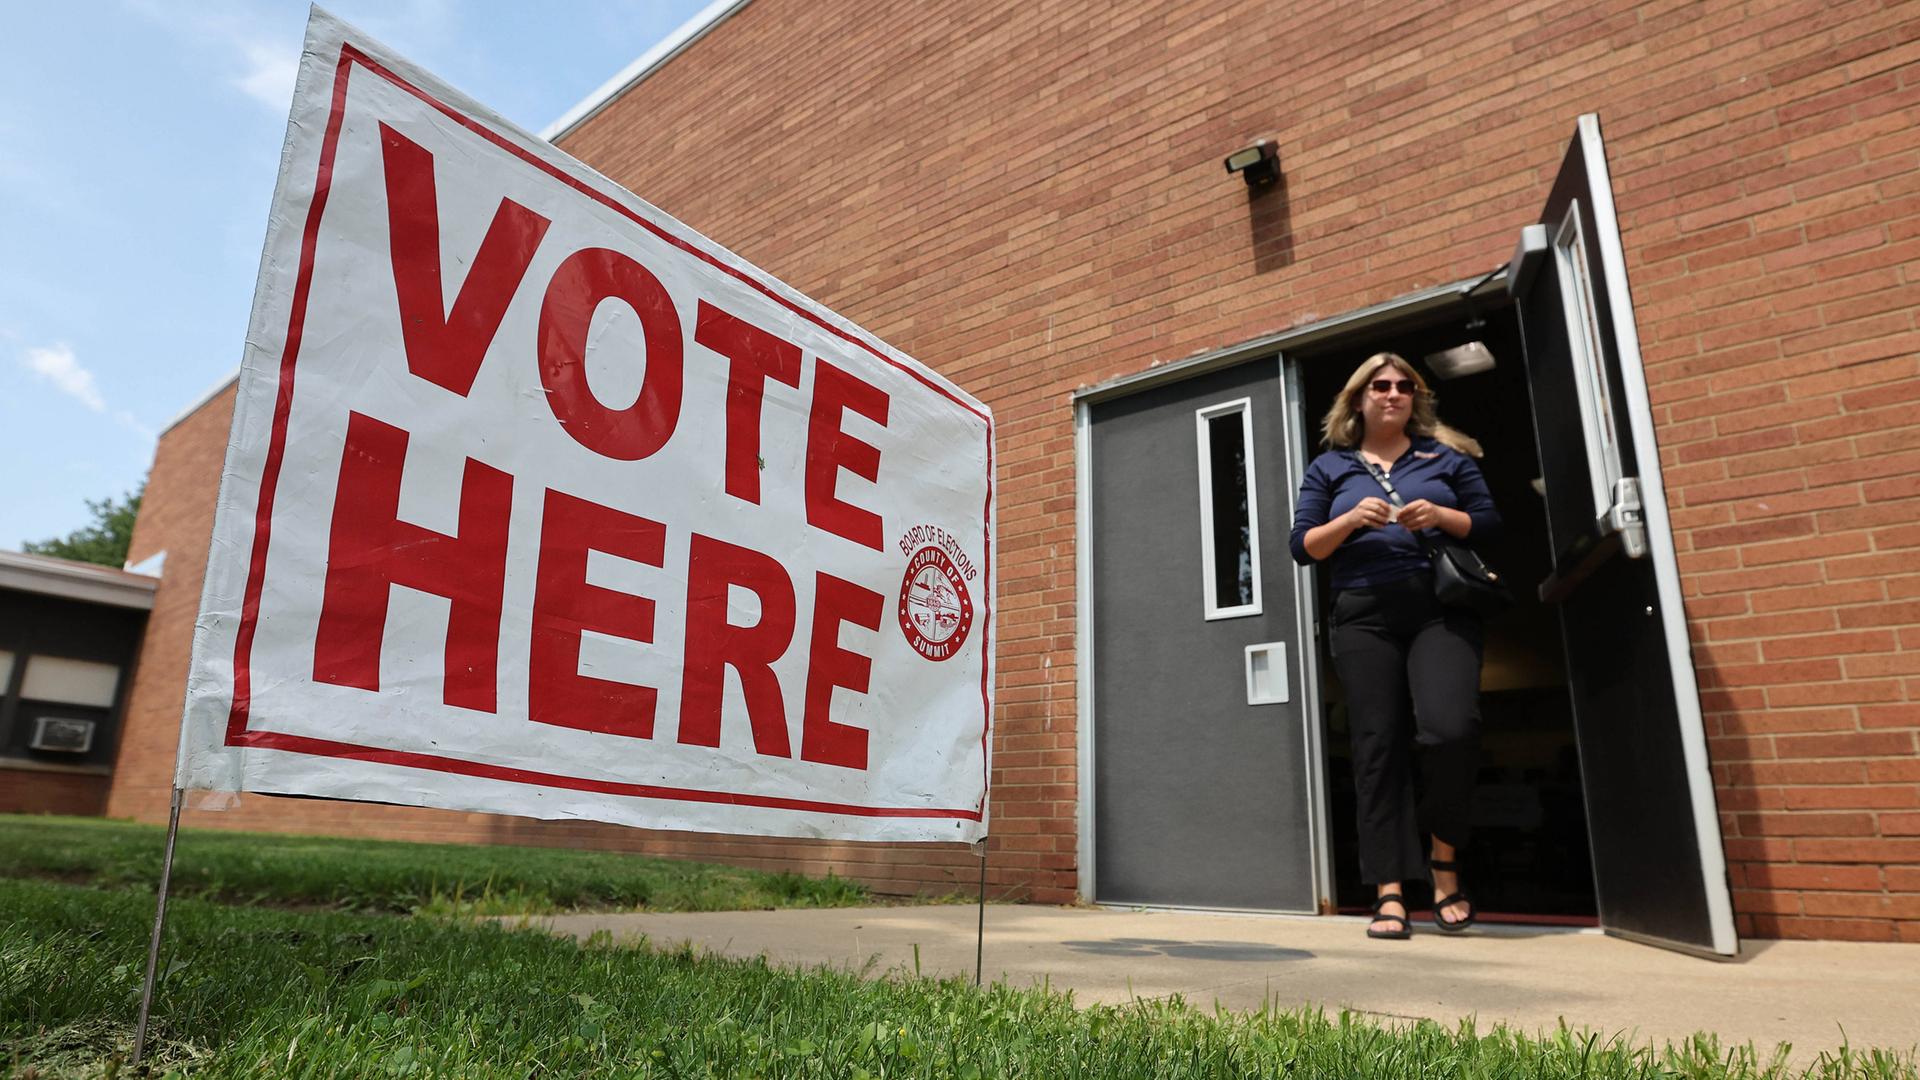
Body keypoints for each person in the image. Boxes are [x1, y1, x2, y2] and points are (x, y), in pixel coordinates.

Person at [1289, 352, 1500, 940]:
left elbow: (1489, 524)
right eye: (1380, 385)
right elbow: (1303, 546)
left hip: (1440, 609)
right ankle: (1389, 890)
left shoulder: (1445, 457)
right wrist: (1352, 519)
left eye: (1404, 385)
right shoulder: (1330, 467)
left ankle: (1444, 863)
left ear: (1416, 398)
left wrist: (1441, 514)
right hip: (1363, 614)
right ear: (1358, 398)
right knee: (1377, 746)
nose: (1393, 393)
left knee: (1450, 730)